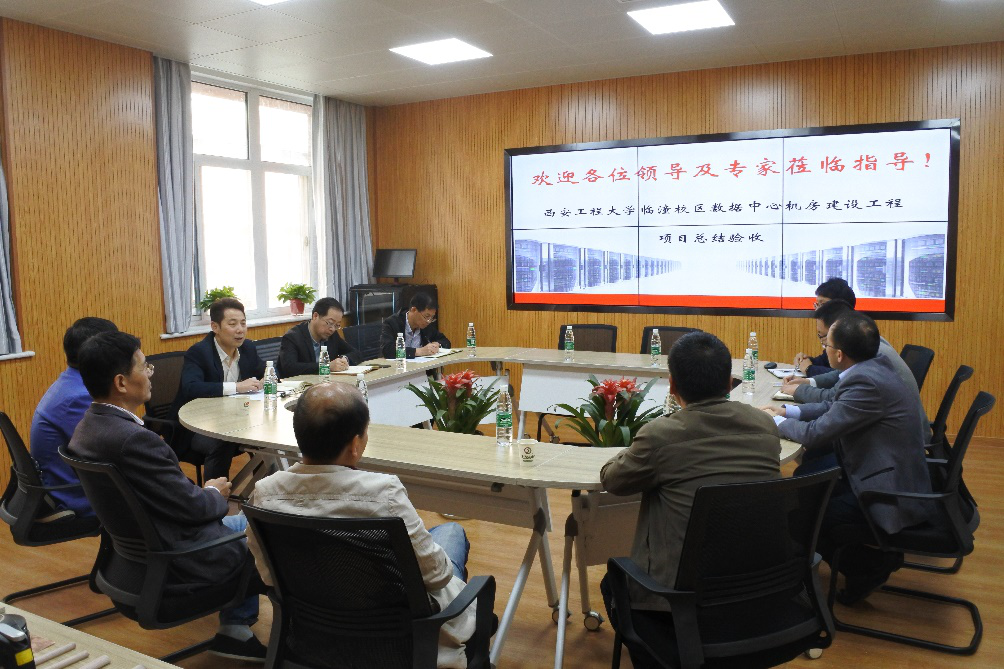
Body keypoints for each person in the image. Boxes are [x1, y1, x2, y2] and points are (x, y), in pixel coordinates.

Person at [67, 331, 267, 661]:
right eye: (144, 366)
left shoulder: (87, 428)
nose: (150, 373)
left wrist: (201, 494)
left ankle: (235, 628)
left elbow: (169, 498)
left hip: (136, 560)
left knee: (252, 520)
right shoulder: (134, 440)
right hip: (181, 556)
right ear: (121, 382)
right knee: (272, 531)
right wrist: (214, 492)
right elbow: (195, 508)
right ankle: (283, 631)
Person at [245, 383, 474, 668]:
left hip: (315, 636)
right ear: (355, 445)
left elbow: (269, 576)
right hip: (397, 642)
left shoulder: (265, 493)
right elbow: (437, 576)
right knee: (451, 532)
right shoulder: (383, 493)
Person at [598, 332, 781, 668]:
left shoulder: (661, 435)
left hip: (678, 603)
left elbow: (613, 480)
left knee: (613, 583)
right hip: (757, 589)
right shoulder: (764, 425)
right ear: (729, 382)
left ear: (672, 386)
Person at [764, 312, 932, 604]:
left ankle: (866, 567)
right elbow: (833, 407)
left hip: (887, 490)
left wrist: (774, 422)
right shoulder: (872, 367)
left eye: (826, 345)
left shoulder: (866, 382)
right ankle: (862, 563)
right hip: (877, 469)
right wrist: (787, 412)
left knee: (802, 515)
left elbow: (816, 433)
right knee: (805, 492)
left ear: (839, 354)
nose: (824, 350)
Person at [29, 317, 118, 517]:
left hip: (65, 484)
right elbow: (114, 451)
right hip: (75, 495)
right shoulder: (79, 397)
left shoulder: (70, 383)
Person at [173, 298, 267, 480]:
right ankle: (215, 495)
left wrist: (266, 378)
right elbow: (191, 387)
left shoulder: (247, 348)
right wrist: (237, 387)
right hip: (199, 426)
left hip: (237, 419)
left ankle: (264, 489)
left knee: (266, 433)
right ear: (215, 327)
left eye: (243, 323)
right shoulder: (199, 352)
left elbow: (268, 369)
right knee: (222, 440)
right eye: (232, 324)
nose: (240, 329)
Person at [277, 297, 360, 377]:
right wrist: (326, 366)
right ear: (315, 316)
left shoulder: (332, 335)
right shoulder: (292, 337)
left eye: (337, 325)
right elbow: (289, 368)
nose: (332, 329)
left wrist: (344, 359)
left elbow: (356, 353)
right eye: (330, 323)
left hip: (326, 382)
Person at [793, 277, 857, 377]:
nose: (818, 311)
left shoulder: (856, 336)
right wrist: (805, 360)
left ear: (841, 306)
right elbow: (824, 361)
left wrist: (809, 369)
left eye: (822, 304)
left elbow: (845, 375)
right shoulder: (837, 332)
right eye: (816, 305)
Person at [379, 292, 451, 359]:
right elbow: (388, 351)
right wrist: (418, 351)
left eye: (431, 318)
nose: (429, 321)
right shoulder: (392, 323)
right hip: (398, 366)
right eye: (427, 316)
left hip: (422, 367)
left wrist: (437, 344)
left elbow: (446, 341)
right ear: (414, 310)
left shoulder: (426, 325)